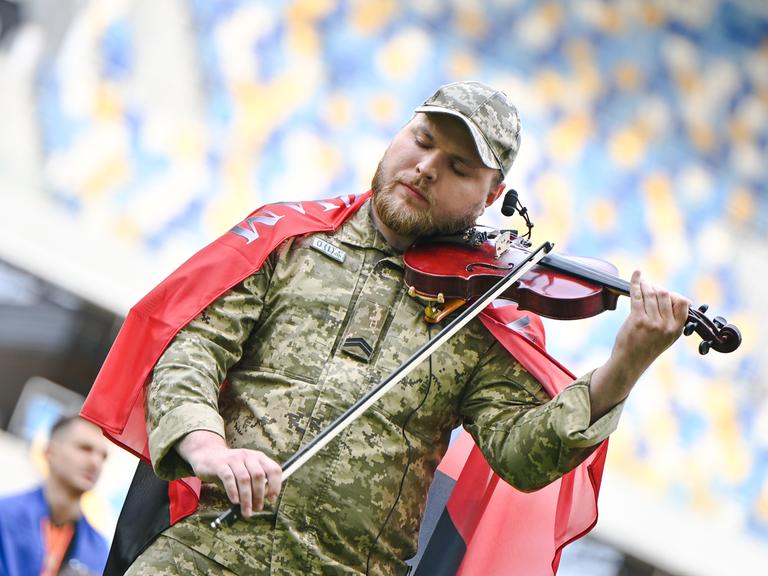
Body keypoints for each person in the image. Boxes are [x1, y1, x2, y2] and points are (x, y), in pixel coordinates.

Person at [83, 81, 691, 575]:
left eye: (456, 167)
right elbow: (194, 348)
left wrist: (625, 367)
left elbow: (522, 457)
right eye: (421, 140)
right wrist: (205, 445)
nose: (425, 168)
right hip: (202, 554)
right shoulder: (290, 239)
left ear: (492, 197)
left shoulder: (486, 311)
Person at [0, 414, 110, 576]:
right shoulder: (5, 517)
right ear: (49, 452)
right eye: (84, 448)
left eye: (103, 456)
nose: (96, 462)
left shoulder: (99, 550)